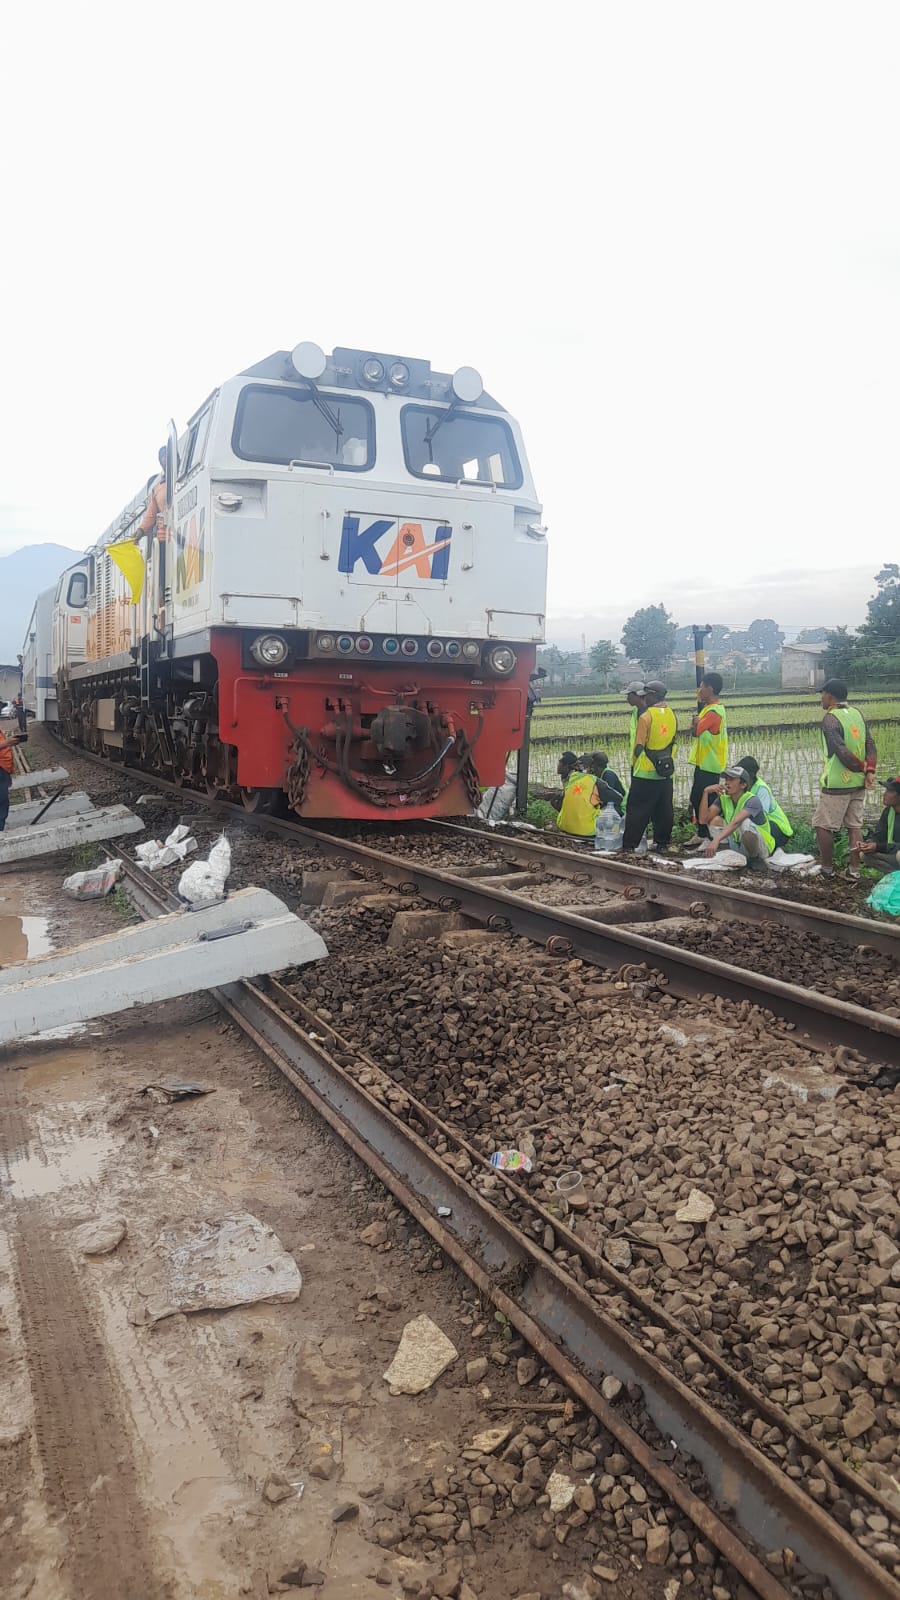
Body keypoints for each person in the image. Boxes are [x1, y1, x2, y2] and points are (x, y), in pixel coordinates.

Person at [813, 679, 876, 876]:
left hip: (837, 783)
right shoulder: (857, 713)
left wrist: (861, 767)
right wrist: (869, 770)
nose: (821, 698)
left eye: (822, 694)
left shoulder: (830, 719)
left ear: (830, 696)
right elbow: (870, 743)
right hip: (858, 782)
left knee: (822, 825)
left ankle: (827, 869)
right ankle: (854, 870)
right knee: (854, 826)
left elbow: (840, 751)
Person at [623, 681, 677, 854]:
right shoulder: (672, 714)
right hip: (665, 771)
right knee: (664, 809)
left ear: (652, 696)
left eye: (646, 695)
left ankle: (629, 846)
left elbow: (639, 746)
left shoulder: (646, 717)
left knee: (637, 811)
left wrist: (635, 765)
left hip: (645, 773)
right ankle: (662, 843)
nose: (644, 698)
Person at [698, 764, 775, 870]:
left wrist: (716, 840)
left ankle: (755, 859)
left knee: (745, 822)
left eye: (731, 779)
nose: (726, 782)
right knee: (716, 820)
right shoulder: (724, 799)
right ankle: (725, 852)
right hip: (739, 845)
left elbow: (736, 822)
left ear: (743, 785)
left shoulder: (752, 800)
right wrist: (706, 792)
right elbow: (703, 820)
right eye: (726, 779)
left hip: (760, 848)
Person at [685, 672, 728, 848]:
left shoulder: (713, 712)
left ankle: (710, 836)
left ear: (710, 689)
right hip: (704, 763)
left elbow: (696, 731)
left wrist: (695, 723)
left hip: (710, 765)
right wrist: (695, 723)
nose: (699, 690)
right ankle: (702, 833)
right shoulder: (708, 708)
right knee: (697, 798)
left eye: (702, 686)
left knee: (705, 801)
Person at [733, 754, 794, 850]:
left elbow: (760, 816)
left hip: (778, 829)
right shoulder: (742, 788)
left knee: (747, 824)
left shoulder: (761, 789)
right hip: (760, 825)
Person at [860, 777, 900, 875]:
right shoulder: (888, 812)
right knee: (864, 855)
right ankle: (894, 877)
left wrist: (878, 846)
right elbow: (878, 836)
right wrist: (868, 844)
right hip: (894, 854)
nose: (884, 794)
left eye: (890, 791)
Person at [556, 757, 601, 840]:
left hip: (563, 826)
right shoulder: (595, 780)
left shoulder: (571, 778)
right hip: (587, 832)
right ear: (591, 768)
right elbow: (617, 798)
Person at [0, 726, 26, 832]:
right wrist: (6, 743)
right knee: (1, 802)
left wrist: (8, 772)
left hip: (3, 769)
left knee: (3, 801)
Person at [139, 446, 168, 538]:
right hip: (167, 536)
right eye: (163, 456)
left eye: (168, 454)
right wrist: (141, 530)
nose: (166, 458)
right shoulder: (157, 488)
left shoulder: (185, 474)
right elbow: (151, 514)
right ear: (160, 462)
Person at [585, 750, 626, 815]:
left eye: (590, 765)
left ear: (595, 765)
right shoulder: (601, 775)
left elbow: (607, 798)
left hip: (621, 807)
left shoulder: (608, 775)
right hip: (614, 805)